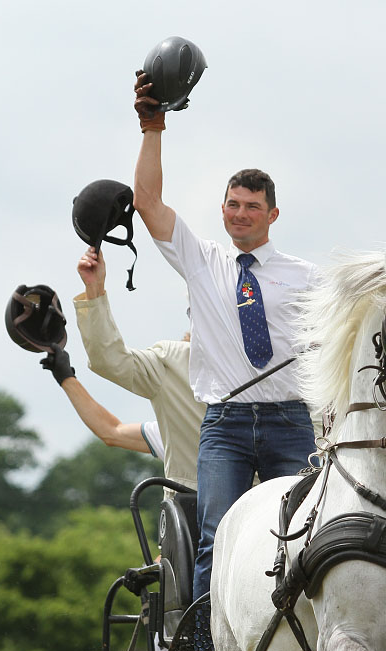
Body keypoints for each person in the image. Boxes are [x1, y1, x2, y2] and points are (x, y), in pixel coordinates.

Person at [132, 73, 319, 599]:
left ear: (272, 214)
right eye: (233, 204)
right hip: (226, 424)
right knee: (217, 538)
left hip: (290, 418)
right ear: (223, 209)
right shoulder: (202, 260)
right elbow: (147, 202)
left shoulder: (307, 276)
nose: (240, 214)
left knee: (305, 538)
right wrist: (153, 127)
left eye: (252, 206)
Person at [74, 247, 205, 492]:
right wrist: (94, 289)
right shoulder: (172, 364)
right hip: (200, 508)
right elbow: (111, 430)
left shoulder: (274, 363)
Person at [41, 343, 166, 460]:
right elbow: (112, 431)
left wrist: (66, 377)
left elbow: (112, 432)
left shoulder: (174, 432)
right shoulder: (173, 431)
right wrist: (66, 377)